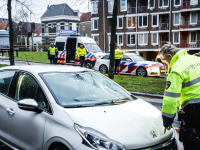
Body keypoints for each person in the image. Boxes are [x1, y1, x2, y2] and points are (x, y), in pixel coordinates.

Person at [156, 43, 200, 150]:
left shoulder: (176, 69)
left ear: (170, 56)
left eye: (166, 62)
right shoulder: (195, 59)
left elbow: (171, 99)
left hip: (194, 112)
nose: (166, 65)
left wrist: (167, 122)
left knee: (193, 141)